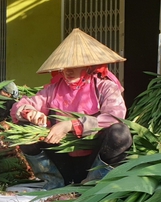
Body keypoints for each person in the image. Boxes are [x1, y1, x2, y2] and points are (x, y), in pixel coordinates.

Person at [10, 28, 132, 189]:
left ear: (89, 65)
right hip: (62, 162)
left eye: (75, 64)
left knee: (120, 133)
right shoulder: (54, 89)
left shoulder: (104, 87)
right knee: (23, 127)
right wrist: (30, 113)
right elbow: (21, 105)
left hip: (93, 161)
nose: (68, 70)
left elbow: (115, 116)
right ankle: (53, 181)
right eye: (64, 65)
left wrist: (70, 125)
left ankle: (94, 183)